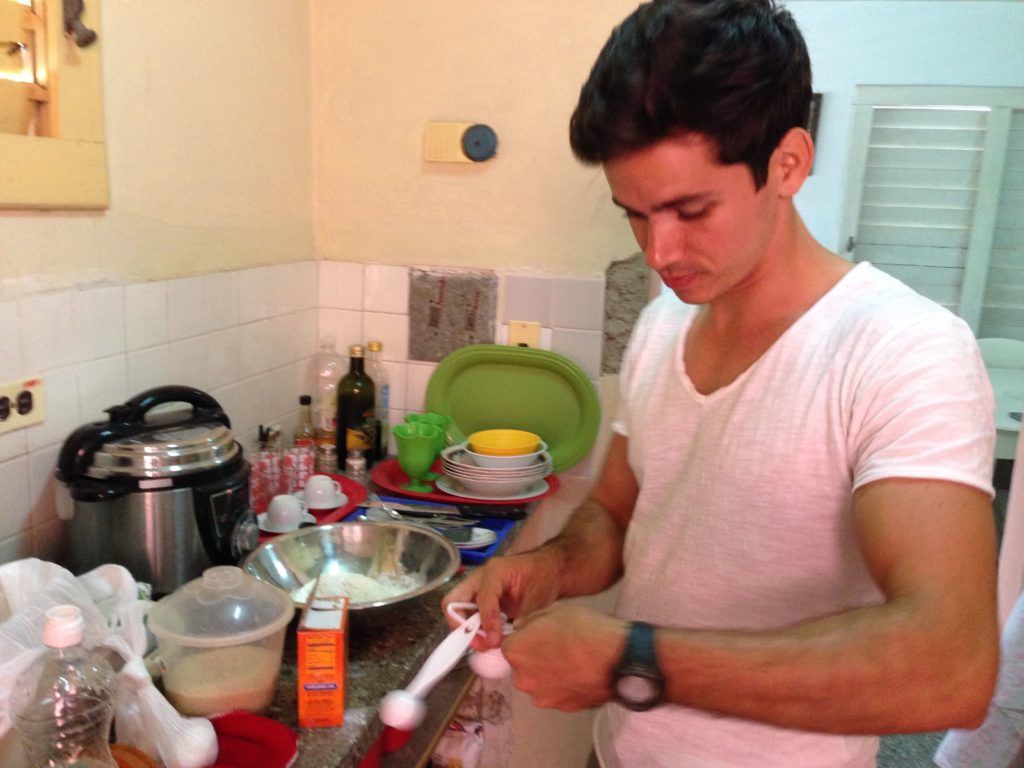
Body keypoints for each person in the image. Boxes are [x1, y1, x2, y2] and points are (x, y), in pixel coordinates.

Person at [442, 1, 1000, 766]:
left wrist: (630, 661)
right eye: (634, 214)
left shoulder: (902, 350)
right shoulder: (663, 328)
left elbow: (951, 668)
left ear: (789, 163)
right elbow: (615, 513)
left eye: (691, 209)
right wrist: (547, 569)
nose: (660, 250)